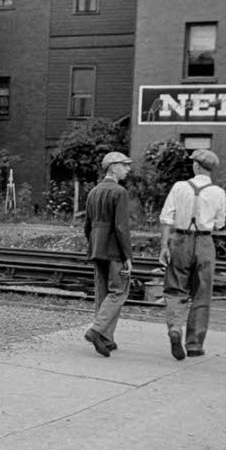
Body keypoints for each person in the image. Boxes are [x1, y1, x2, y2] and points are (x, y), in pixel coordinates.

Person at [158, 148, 226, 360]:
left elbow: (166, 218)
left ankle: (175, 328)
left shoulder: (179, 187)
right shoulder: (219, 192)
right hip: (205, 242)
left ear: (196, 166)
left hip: (181, 240)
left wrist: (164, 246)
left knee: (175, 288)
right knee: (202, 293)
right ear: (210, 170)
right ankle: (195, 344)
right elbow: (220, 223)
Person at [83, 151, 133, 357]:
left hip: (97, 248)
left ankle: (106, 339)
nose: (128, 169)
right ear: (113, 167)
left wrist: (94, 244)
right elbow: (121, 228)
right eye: (125, 165)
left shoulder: (93, 191)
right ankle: (96, 330)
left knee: (102, 294)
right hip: (114, 250)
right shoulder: (120, 192)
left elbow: (87, 225)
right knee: (119, 292)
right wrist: (128, 256)